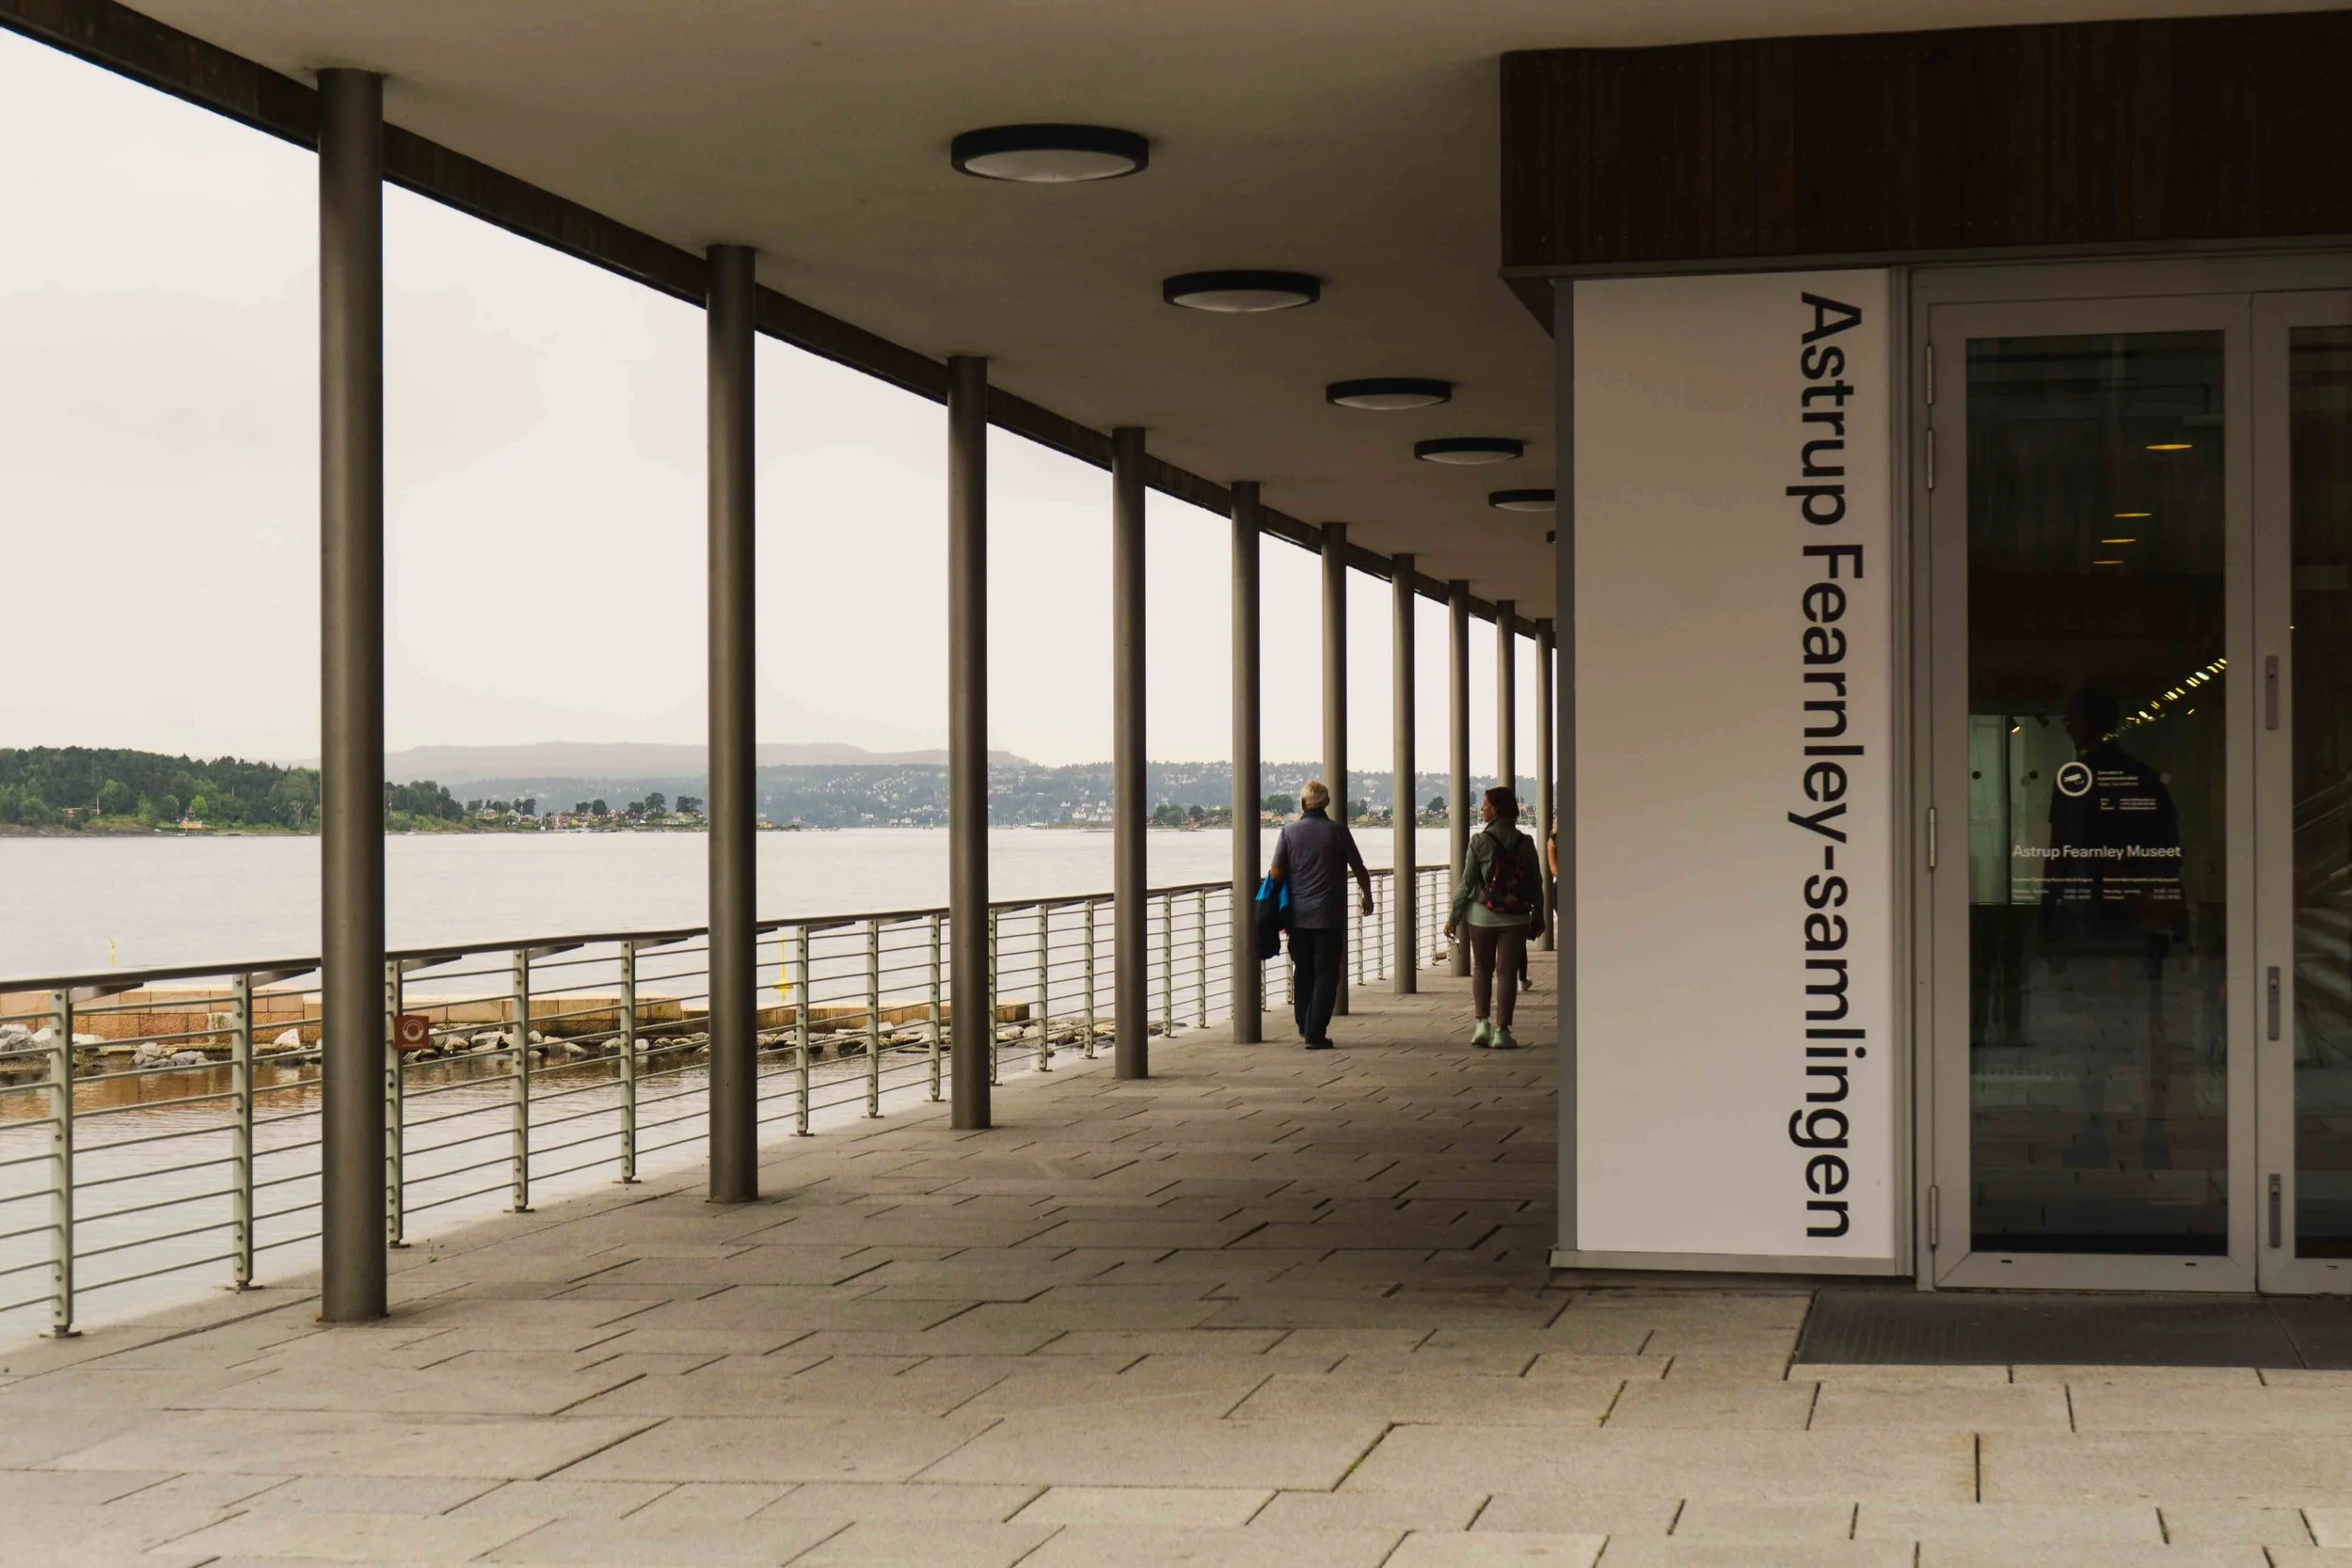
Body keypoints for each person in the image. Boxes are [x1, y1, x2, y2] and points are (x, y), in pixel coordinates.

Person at [1266, 780, 1373, 1050]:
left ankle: (1304, 1025)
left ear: (1302, 804)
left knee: (1303, 971)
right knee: (1327, 973)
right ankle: (1315, 1031)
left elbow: (1276, 873)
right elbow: (1358, 866)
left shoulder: (1288, 832)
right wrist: (1367, 894)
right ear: (1326, 803)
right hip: (1329, 917)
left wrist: (1270, 907)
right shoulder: (1338, 831)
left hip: (1298, 919)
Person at [1445, 784, 1544, 1049]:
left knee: (1481, 968)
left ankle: (1481, 1025)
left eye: (1486, 804)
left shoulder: (1479, 841)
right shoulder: (1525, 842)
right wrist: (1540, 914)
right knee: (1507, 972)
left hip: (1481, 915)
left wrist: (1453, 916)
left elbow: (1467, 883)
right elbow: (1536, 883)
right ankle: (1502, 1031)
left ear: (1495, 808)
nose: (1482, 808)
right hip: (1516, 916)